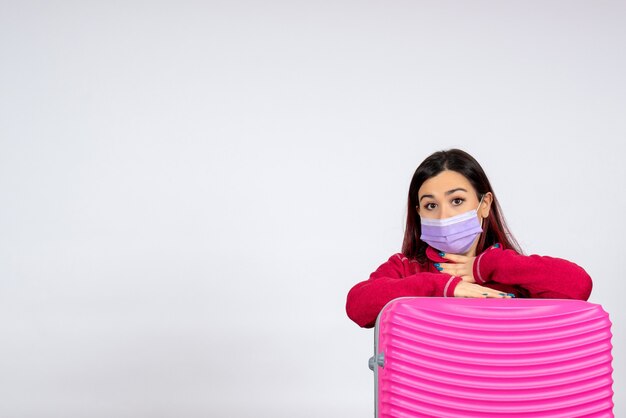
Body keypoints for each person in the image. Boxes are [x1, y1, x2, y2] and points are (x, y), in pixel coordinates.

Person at [346, 149, 593, 328]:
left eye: (457, 201)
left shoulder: (512, 273)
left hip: (506, 396)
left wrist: (486, 267)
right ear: (419, 212)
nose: (443, 215)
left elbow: (579, 286)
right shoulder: (407, 268)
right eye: (431, 205)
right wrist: (442, 287)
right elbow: (357, 306)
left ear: (484, 204)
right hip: (430, 397)